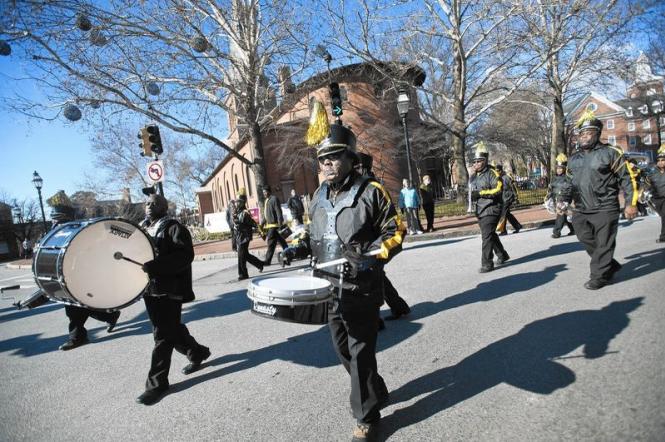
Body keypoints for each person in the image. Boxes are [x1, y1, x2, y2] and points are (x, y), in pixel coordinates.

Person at [309, 123, 404, 441]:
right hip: (328, 287)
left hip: (361, 287)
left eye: (334, 157)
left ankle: (366, 415)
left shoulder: (371, 192)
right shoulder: (317, 195)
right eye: (323, 159)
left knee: (360, 349)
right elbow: (318, 235)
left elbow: (396, 231)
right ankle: (374, 389)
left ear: (350, 157)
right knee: (341, 347)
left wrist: (372, 255)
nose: (327, 164)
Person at [136, 194, 211, 405]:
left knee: (162, 335)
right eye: (148, 203)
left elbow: (184, 256)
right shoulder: (141, 229)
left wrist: (156, 266)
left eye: (155, 203)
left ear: (164, 207)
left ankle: (157, 385)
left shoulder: (173, 227)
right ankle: (197, 352)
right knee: (171, 330)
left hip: (170, 290)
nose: (150, 206)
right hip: (149, 290)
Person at [567, 110, 638, 290]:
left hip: (605, 207)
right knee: (585, 238)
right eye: (581, 134)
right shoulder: (573, 158)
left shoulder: (611, 153)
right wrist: (563, 201)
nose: (584, 137)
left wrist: (631, 203)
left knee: (604, 243)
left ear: (597, 134)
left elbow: (627, 179)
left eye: (588, 133)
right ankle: (610, 265)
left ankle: (599, 276)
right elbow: (568, 183)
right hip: (581, 209)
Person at [46, 191, 121, 351]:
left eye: (59, 218)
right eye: (55, 218)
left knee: (75, 308)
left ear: (68, 217)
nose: (56, 221)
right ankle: (109, 315)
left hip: (81, 275)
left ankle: (78, 337)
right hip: (65, 276)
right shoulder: (55, 232)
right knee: (77, 306)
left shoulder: (77, 230)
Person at [354, 152, 411, 325]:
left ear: (362, 168)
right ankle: (399, 307)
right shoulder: (360, 187)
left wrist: (376, 247)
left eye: (355, 168)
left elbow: (389, 222)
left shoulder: (372, 187)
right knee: (378, 277)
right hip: (369, 243)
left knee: (369, 280)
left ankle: (374, 319)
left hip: (378, 243)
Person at [469, 142, 509, 273]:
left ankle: (487, 263)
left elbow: (498, 189)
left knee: (486, 236)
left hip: (492, 208)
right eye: (474, 161)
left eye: (479, 161)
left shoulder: (492, 173)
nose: (476, 164)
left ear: (485, 160)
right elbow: (470, 190)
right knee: (490, 234)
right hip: (480, 209)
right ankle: (502, 254)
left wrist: (480, 193)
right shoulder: (475, 175)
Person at [233, 197, 264, 279]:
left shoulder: (245, 213)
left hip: (245, 236)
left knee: (241, 255)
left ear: (242, 203)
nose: (237, 204)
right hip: (239, 236)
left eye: (238, 202)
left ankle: (243, 274)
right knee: (245, 255)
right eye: (236, 202)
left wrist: (259, 229)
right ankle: (259, 264)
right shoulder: (236, 212)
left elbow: (251, 223)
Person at [546, 153, 575, 238]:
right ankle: (574, 229)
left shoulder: (568, 177)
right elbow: (551, 188)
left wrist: (565, 198)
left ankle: (556, 232)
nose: (559, 170)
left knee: (561, 215)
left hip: (564, 199)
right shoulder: (554, 178)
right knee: (565, 214)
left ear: (564, 169)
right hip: (557, 199)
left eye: (560, 168)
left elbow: (570, 188)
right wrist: (549, 197)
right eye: (557, 168)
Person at [261, 185, 288, 266]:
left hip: (274, 225)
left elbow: (278, 211)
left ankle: (267, 260)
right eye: (263, 192)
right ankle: (289, 253)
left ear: (269, 191)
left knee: (271, 242)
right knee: (282, 241)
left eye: (265, 192)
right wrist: (262, 224)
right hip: (269, 226)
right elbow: (266, 215)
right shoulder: (266, 201)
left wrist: (280, 224)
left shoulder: (274, 199)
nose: (264, 194)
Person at [644, 145, 665, 243]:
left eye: (663, 160)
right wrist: (643, 192)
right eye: (659, 160)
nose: (661, 162)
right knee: (663, 216)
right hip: (658, 199)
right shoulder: (652, 173)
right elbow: (647, 184)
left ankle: (663, 236)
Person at [495, 164, 522, 235]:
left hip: (508, 198)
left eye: (497, 171)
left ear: (501, 170)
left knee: (503, 213)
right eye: (496, 171)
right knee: (507, 214)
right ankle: (517, 226)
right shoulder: (499, 178)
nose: (497, 172)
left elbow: (513, 187)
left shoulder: (506, 177)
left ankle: (503, 230)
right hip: (504, 198)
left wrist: (516, 197)